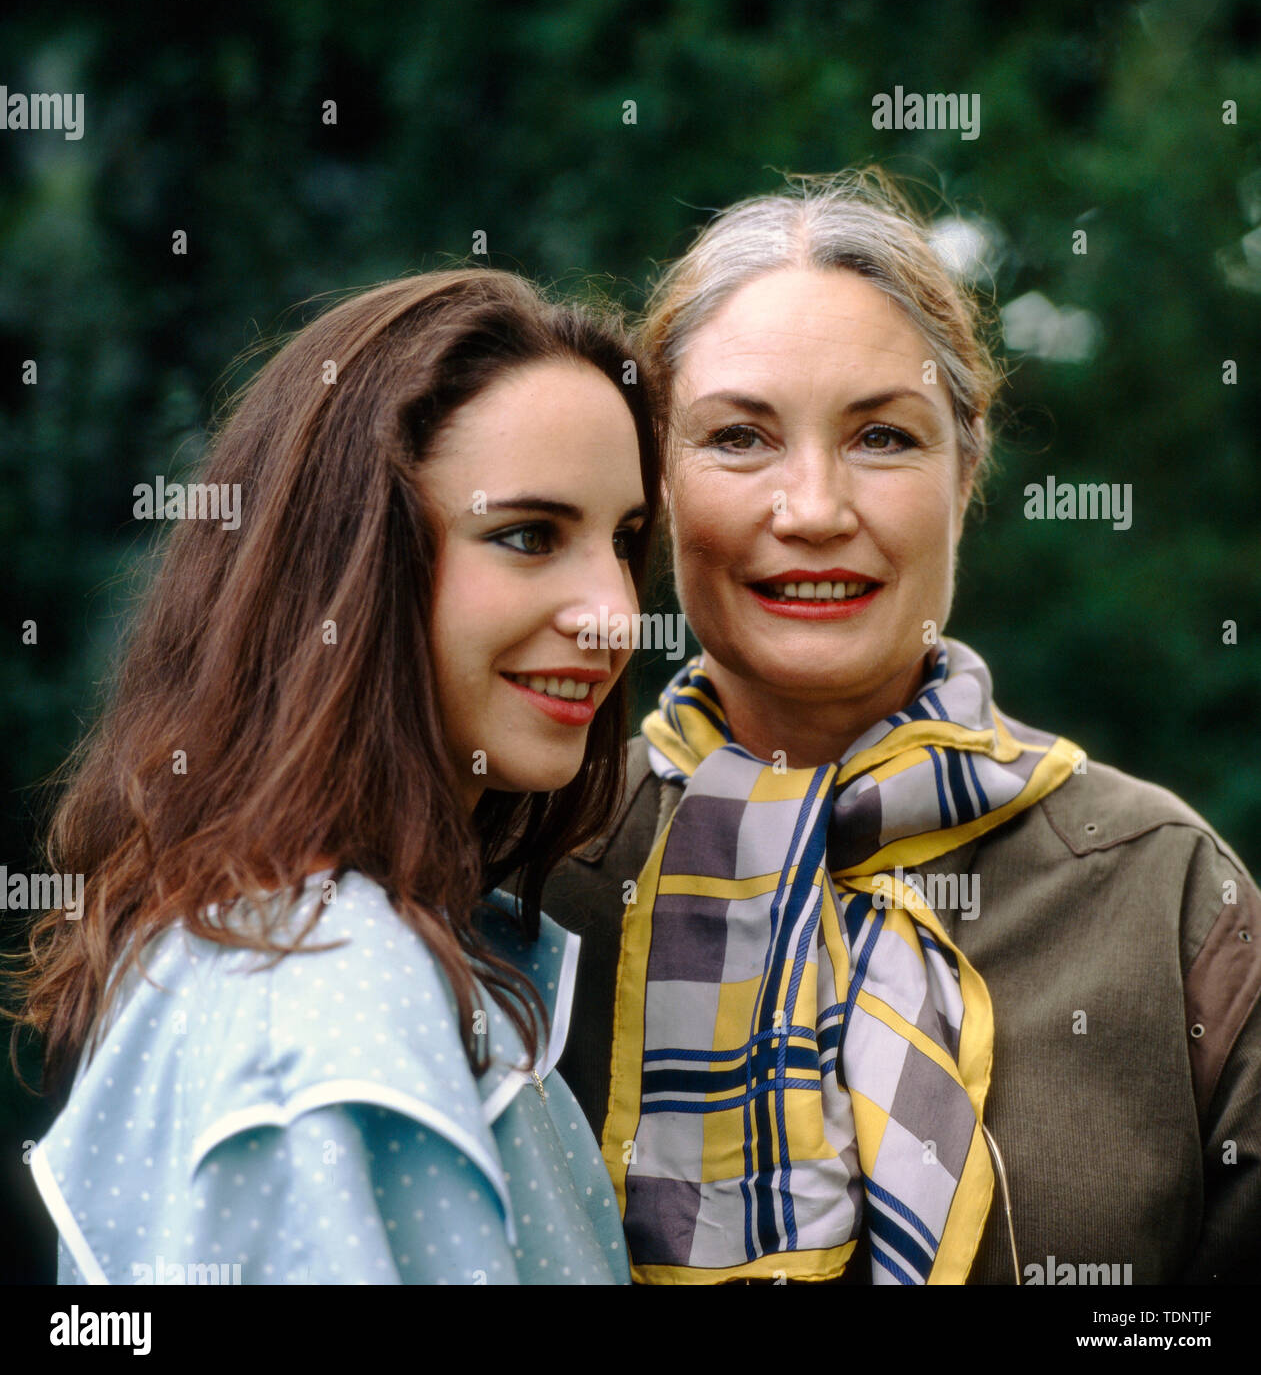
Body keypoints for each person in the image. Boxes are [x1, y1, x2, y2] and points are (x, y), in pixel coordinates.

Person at [539, 171, 1261, 1285]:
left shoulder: (1166, 895)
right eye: (738, 438)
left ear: (966, 472)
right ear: (657, 488)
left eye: (882, 437)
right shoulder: (532, 868)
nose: (816, 507)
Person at [10, 267, 662, 1285]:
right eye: (529, 536)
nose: (615, 613)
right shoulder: (323, 991)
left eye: (623, 540)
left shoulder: (338, 942)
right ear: (351, 565)